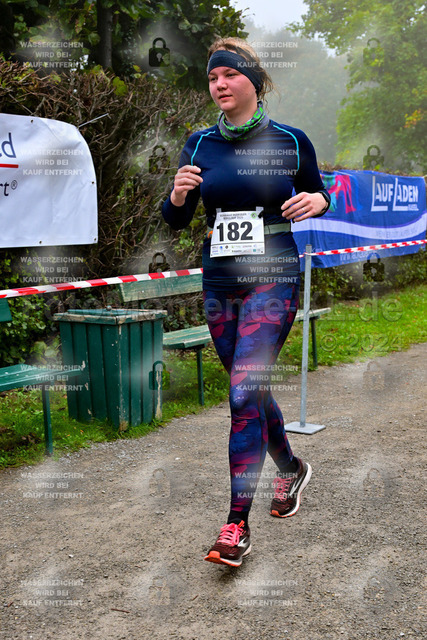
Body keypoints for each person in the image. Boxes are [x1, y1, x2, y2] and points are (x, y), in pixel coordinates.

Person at [162, 37, 330, 567]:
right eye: (212, 78)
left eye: (229, 75)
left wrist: (318, 200)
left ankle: (236, 525)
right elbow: (176, 221)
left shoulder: (291, 140)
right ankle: (291, 468)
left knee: (242, 392)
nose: (219, 85)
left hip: (272, 278)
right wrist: (178, 195)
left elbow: (319, 192)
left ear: (254, 81)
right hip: (220, 282)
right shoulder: (198, 144)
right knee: (249, 391)